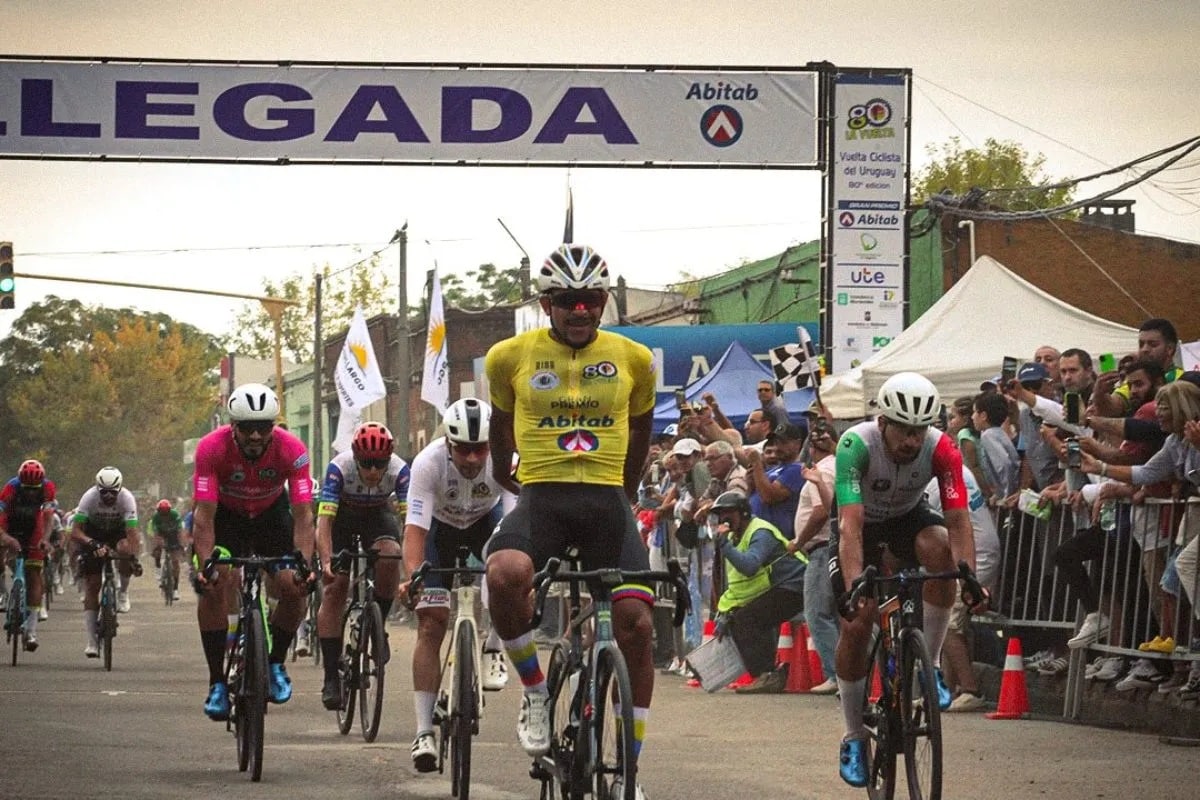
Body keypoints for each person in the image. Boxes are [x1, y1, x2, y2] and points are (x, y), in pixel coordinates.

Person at [483, 243, 658, 800]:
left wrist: (626, 492)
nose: (580, 310)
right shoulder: (508, 356)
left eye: (591, 299)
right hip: (544, 497)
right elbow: (500, 423)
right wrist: (504, 472)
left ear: (604, 301)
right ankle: (535, 690)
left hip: (607, 500)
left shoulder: (635, 358)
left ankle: (629, 768)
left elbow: (642, 429)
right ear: (546, 303)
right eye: (567, 300)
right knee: (504, 574)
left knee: (637, 626)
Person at [830, 372, 985, 788]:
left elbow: (958, 520)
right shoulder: (856, 445)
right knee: (857, 623)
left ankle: (928, 666)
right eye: (903, 429)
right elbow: (850, 526)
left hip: (906, 518)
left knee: (941, 550)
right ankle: (854, 735)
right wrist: (855, 586)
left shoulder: (943, 448)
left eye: (920, 430)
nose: (912, 441)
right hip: (860, 524)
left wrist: (968, 576)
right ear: (882, 422)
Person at [396, 400, 516, 773]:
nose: (472, 458)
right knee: (431, 623)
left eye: (480, 448)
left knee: (505, 570)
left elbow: (514, 526)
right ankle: (423, 732)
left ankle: (493, 645)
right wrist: (413, 575)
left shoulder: (505, 459)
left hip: (486, 523)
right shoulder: (428, 463)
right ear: (448, 443)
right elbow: (415, 530)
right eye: (463, 449)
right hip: (440, 531)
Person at [191, 382, 315, 720]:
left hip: (271, 517)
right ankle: (217, 682)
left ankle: (275, 662)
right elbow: (204, 516)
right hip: (227, 519)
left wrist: (304, 563)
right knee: (217, 581)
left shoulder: (293, 449)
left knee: (295, 586)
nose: (256, 436)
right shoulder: (210, 449)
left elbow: (303, 515)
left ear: (274, 426)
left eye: (263, 427)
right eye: (247, 428)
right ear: (233, 426)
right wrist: (205, 565)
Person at [315, 420, 410, 710]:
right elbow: (325, 521)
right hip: (343, 518)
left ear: (388, 460)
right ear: (355, 457)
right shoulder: (339, 468)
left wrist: (411, 569)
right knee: (335, 588)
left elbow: (410, 524)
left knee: (390, 554)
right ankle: (331, 677)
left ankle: (377, 627)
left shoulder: (400, 471)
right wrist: (326, 561)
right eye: (366, 463)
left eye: (379, 464)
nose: (372, 471)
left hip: (377, 515)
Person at [709, 491, 807, 693]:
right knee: (743, 617)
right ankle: (769, 673)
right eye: (720, 514)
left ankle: (766, 675)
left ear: (743, 513)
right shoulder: (735, 537)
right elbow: (738, 583)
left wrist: (724, 545)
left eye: (729, 512)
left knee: (747, 619)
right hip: (776, 587)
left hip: (794, 585)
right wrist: (726, 610)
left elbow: (750, 566)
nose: (724, 518)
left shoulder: (760, 532)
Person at [787, 418, 839, 693]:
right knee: (834, 615)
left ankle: (837, 673)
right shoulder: (832, 467)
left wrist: (799, 541)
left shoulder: (824, 471)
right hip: (827, 548)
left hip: (822, 549)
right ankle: (843, 674)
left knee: (818, 614)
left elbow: (821, 512)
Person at [69, 466, 142, 656]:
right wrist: (92, 544)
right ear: (97, 488)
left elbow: (132, 533)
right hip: (93, 534)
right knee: (93, 585)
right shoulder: (89, 497)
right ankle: (92, 641)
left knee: (124, 549)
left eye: (113, 492)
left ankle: (123, 592)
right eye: (104, 492)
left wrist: (133, 557)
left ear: (120, 488)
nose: (108, 496)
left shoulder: (127, 498)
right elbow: (76, 531)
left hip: (117, 532)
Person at [0, 459, 57, 651]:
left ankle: (31, 630)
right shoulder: (11, 487)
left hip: (34, 526)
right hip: (10, 523)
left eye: (35, 489)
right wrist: (6, 538)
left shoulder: (48, 487)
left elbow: (48, 517)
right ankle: (3, 592)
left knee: (33, 573)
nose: (31, 492)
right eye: (27, 488)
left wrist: (46, 539)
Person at [149, 498, 185, 601]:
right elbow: (156, 534)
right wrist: (157, 546)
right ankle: (158, 569)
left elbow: (180, 531)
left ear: (169, 510)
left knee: (175, 562)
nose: (164, 515)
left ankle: (175, 589)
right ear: (159, 511)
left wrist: (181, 545)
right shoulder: (156, 517)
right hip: (162, 534)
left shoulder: (174, 514)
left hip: (173, 535)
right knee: (158, 547)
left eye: (166, 512)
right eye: (162, 512)